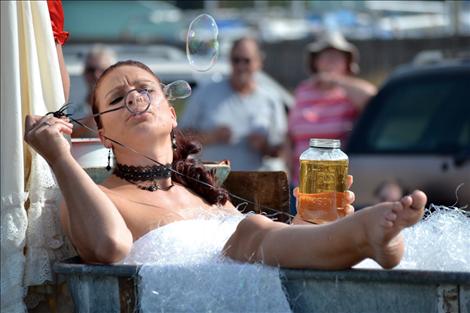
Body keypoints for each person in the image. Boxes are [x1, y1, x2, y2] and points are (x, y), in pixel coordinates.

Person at [24, 60, 427, 270]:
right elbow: (108, 247)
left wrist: (313, 219)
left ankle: (358, 234)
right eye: (117, 98)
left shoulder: (200, 190)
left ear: (171, 112)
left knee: (258, 227)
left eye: (145, 90)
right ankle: (363, 238)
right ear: (104, 134)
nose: (134, 99)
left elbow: (276, 247)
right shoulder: (94, 196)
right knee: (250, 229)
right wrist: (59, 156)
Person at [288, 32, 378, 212]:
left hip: (335, 188)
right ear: (315, 61)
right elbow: (290, 134)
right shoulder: (303, 90)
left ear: (347, 63)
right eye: (325, 56)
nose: (330, 61)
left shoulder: (349, 92)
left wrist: (336, 80)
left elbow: (373, 100)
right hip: (300, 186)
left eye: (336, 57)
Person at [180, 37, 287, 171]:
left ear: (259, 62)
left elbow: (281, 150)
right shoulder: (205, 93)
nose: (241, 66)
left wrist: (263, 146)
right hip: (210, 182)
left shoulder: (270, 98)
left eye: (246, 61)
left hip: (255, 182)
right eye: (236, 60)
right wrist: (211, 137)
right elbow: (180, 138)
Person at [70, 45, 116, 138]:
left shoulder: (126, 103)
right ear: (84, 73)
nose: (96, 74)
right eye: (91, 70)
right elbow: (67, 137)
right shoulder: (70, 104)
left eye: (102, 70)